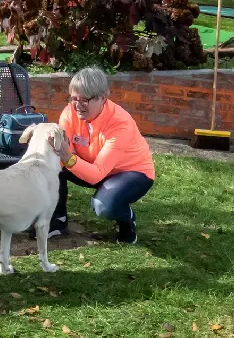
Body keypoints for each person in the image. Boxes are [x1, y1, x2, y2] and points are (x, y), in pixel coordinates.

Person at [46, 66, 154, 244]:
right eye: (74, 99)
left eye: (85, 100)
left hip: (130, 173)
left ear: (103, 98)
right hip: (91, 165)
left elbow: (96, 173)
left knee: (103, 206)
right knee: (51, 165)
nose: (77, 106)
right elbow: (63, 153)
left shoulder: (120, 123)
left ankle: (127, 218)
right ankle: (58, 219)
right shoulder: (69, 112)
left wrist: (68, 159)